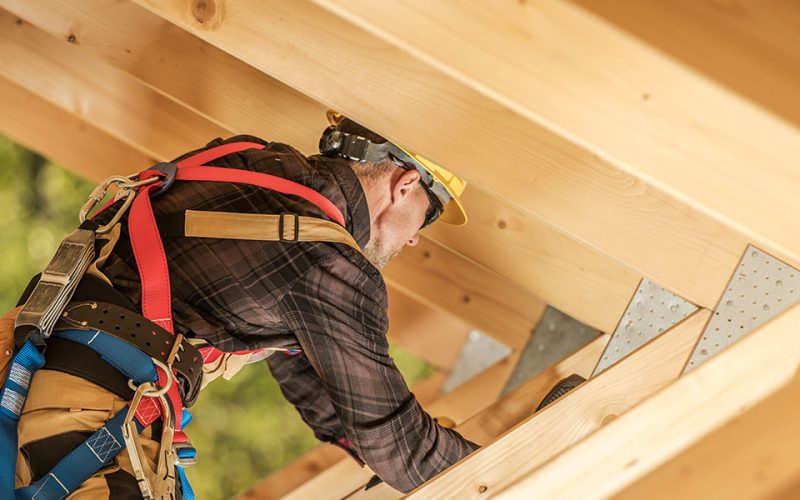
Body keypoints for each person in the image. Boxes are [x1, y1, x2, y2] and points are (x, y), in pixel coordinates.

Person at [4, 112, 478, 498]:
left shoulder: (245, 161)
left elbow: (299, 362)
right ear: (406, 184)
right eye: (427, 216)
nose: (415, 237)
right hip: (82, 425)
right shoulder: (331, 265)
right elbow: (401, 447)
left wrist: (356, 441)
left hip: (28, 380)